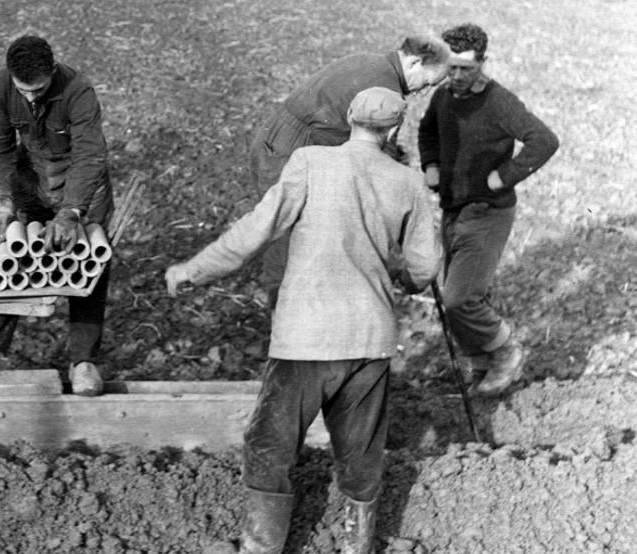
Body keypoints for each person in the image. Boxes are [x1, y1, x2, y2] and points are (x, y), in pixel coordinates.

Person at [166, 88, 442, 554]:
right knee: (360, 453)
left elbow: (258, 228)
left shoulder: (311, 161)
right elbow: (424, 267)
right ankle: (357, 545)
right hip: (370, 338)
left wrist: (194, 270)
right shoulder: (408, 181)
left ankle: (262, 547)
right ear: (394, 129)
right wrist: (405, 280)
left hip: (307, 336)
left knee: (270, 445)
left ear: (349, 119)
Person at [0, 35, 114, 397]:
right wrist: (2, 202)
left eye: (39, 90)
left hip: (80, 184)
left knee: (87, 264)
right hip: (30, 179)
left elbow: (90, 156)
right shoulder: (1, 87)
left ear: (52, 71)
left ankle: (83, 360)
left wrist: (71, 212)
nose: (32, 97)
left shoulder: (79, 91)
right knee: (10, 252)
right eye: (24, 91)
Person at [247, 34, 451, 311]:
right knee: (292, 234)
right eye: (426, 83)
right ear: (415, 62)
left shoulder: (368, 61)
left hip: (275, 142)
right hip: (289, 154)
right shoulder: (386, 88)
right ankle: (285, 315)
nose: (421, 92)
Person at [418, 23, 559, 396]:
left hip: (487, 211)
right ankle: (479, 368)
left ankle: (506, 352)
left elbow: (543, 140)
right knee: (461, 296)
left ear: (483, 62)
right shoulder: (443, 98)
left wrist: (506, 175)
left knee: (459, 298)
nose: (459, 75)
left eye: (467, 68)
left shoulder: (499, 102)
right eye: (452, 67)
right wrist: (431, 165)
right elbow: (427, 131)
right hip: (453, 209)